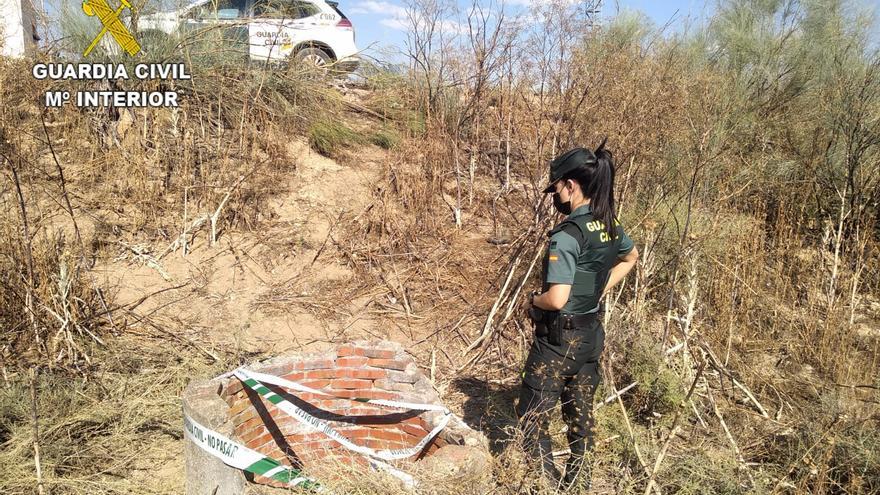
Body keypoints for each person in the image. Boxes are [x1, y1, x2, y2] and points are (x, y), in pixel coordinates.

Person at [516, 139, 639, 491]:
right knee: (580, 420)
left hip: (558, 342)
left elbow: (556, 299)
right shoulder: (609, 224)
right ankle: (578, 485)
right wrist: (599, 289)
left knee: (532, 417)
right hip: (590, 338)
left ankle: (541, 484)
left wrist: (533, 299)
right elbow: (630, 258)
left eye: (555, 188)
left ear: (570, 186)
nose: (554, 195)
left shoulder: (568, 235)